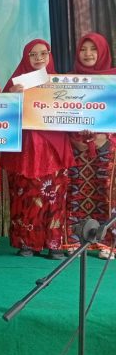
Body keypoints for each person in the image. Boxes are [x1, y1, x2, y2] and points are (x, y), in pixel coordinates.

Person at [3, 39, 73, 259]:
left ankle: (54, 243)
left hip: (54, 149)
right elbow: (1, 117)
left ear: (50, 55)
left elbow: (73, 112)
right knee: (25, 194)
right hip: (25, 150)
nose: (38, 58)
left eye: (43, 53)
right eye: (32, 54)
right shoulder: (15, 82)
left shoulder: (61, 83)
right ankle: (26, 243)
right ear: (25, 57)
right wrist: (12, 97)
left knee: (54, 196)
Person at [65, 32, 116, 259]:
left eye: (93, 49)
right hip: (76, 148)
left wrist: (105, 136)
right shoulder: (67, 81)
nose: (87, 54)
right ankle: (75, 239)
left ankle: (106, 242)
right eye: (83, 49)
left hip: (107, 147)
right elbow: (57, 114)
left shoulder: (113, 79)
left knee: (105, 194)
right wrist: (75, 140)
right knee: (74, 193)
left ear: (102, 52)